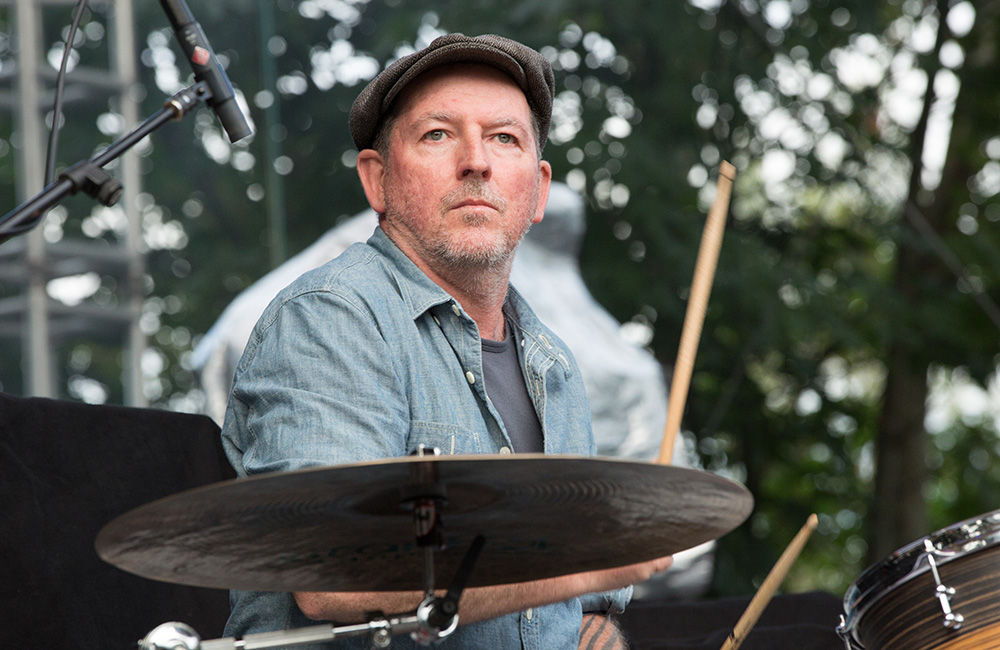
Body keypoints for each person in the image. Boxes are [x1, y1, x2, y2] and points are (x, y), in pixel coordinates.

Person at [220, 33, 672, 650]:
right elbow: (335, 580)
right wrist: (580, 566)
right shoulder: (332, 318)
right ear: (376, 181)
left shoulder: (554, 364)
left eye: (504, 138)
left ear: (538, 191)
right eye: (438, 134)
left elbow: (582, 612)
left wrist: (600, 628)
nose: (476, 162)